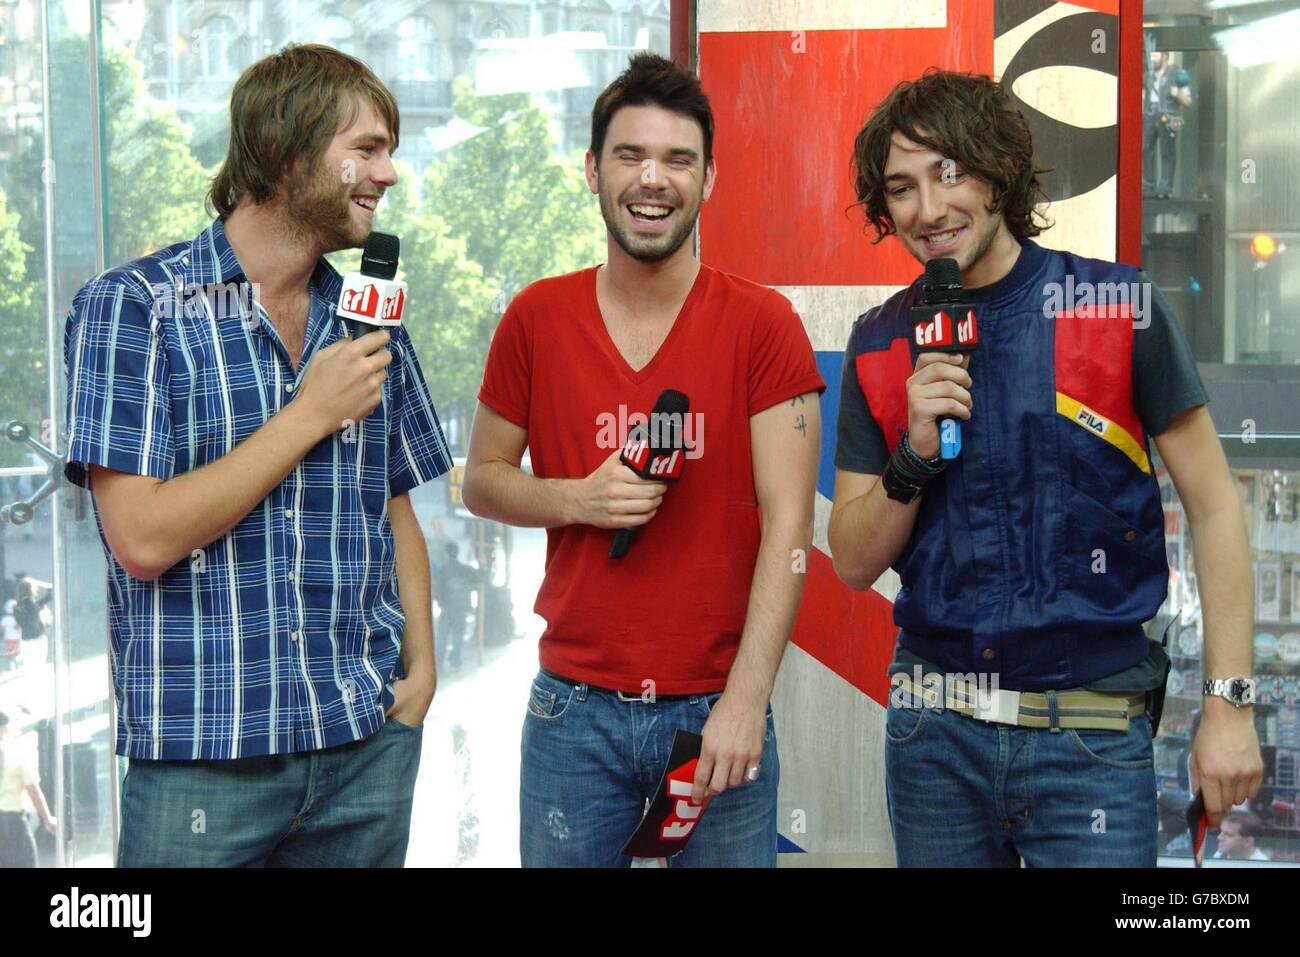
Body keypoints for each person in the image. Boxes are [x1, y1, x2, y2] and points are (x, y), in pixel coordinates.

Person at [830, 69, 1261, 867]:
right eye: (901, 188)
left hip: (1091, 738)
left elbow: (1214, 506)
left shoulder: (1115, 306)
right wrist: (913, 458)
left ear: (998, 170)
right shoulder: (880, 341)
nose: (928, 209)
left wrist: (1230, 704)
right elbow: (853, 560)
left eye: (948, 174)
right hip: (936, 738)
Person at [62, 44, 452, 867]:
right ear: (283, 153)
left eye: (391, 150)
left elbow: (395, 508)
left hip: (366, 744)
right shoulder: (132, 311)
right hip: (203, 763)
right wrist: (308, 413)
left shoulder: (368, 322)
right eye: (367, 148)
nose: (389, 174)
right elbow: (140, 538)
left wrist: (422, 670)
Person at [462, 52, 824, 868]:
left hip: (716, 712)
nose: (652, 179)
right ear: (592, 170)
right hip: (573, 714)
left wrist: (746, 699)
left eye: (677, 159)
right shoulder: (536, 318)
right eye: (630, 156)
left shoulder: (763, 324)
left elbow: (791, 524)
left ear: (708, 180)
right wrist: (576, 499)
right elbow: (481, 480)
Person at [0, 712, 56, 868]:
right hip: (13, 825)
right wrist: (48, 819)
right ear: (6, 729)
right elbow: (33, 792)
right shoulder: (17, 756)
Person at [1142, 49, 1193, 199]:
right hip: (1149, 115)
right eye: (1151, 55)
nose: (1152, 59)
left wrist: (1177, 94)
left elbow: (1188, 101)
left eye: (1155, 55)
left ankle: (1165, 187)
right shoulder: (1147, 76)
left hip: (1168, 116)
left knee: (1167, 152)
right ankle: (1147, 185)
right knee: (1145, 148)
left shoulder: (1178, 74)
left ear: (1165, 56)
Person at [433, 541, 475, 671]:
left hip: (446, 610)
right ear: (457, 553)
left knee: (442, 637)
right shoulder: (465, 570)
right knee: (458, 637)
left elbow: (437, 592)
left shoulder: (442, 571)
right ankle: (455, 661)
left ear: (446, 553)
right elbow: (478, 579)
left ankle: (439, 663)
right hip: (461, 609)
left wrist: (440, 602)